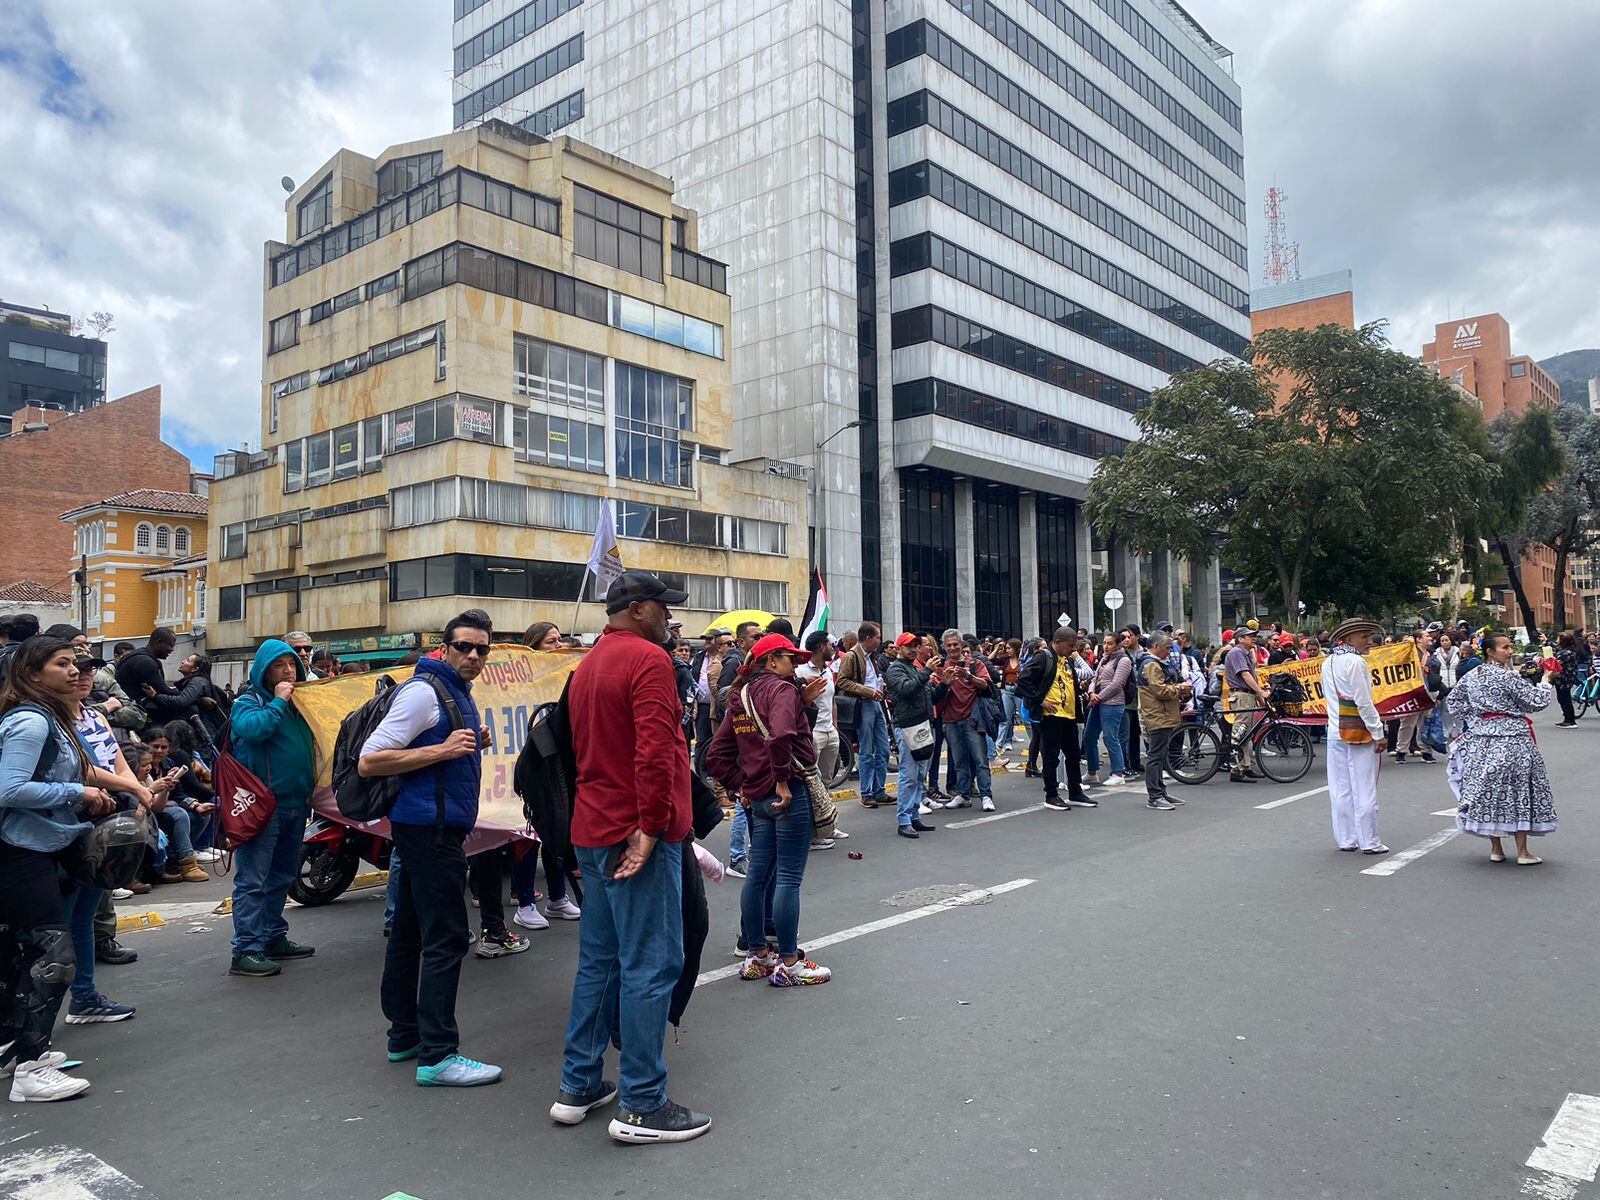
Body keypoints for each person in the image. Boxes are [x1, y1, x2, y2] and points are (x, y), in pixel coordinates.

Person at [553, 570, 711, 1143]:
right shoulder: (647, 661)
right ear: (640, 609)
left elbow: (583, 752)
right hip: (634, 834)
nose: (671, 618)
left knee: (600, 960)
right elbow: (653, 753)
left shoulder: (591, 662)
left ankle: (580, 1084)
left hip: (593, 827)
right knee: (650, 964)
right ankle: (643, 1103)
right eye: (665, 608)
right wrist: (649, 827)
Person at [359, 613, 497, 1087]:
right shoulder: (424, 692)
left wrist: (462, 743)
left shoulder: (454, 693)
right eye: (464, 646)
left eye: (482, 648)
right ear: (445, 647)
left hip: (429, 828)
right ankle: (439, 1055)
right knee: (448, 937)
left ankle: (405, 1036)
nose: (474, 656)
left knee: (410, 932)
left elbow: (433, 745)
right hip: (430, 831)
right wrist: (442, 750)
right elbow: (371, 759)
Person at [0, 636, 114, 1100]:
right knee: (53, 955)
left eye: (75, 663)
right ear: (31, 674)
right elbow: (10, 790)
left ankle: (15, 1050)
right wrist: (77, 794)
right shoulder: (30, 721)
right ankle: (30, 1068)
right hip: (16, 850)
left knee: (17, 954)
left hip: (30, 849)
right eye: (61, 664)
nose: (74, 671)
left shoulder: (47, 718)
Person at [707, 631, 831, 991]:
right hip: (786, 792)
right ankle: (790, 961)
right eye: (791, 658)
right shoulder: (781, 690)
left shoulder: (741, 695)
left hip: (757, 797)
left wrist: (741, 786)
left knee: (758, 875)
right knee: (788, 879)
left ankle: (758, 954)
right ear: (772, 660)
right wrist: (780, 781)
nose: (795, 665)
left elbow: (715, 756)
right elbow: (778, 737)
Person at [227, 639, 318, 977]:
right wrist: (279, 700)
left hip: (296, 803)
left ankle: (273, 935)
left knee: (282, 876)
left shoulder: (301, 704)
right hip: (262, 806)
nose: (289, 670)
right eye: (280, 665)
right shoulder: (248, 703)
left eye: (293, 664)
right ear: (264, 671)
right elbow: (254, 730)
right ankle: (246, 949)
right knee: (253, 880)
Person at [1447, 633, 1558, 864]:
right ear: (1490, 651)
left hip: (1481, 739)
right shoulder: (1506, 677)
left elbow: (1453, 702)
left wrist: (1477, 719)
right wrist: (1546, 680)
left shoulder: (1472, 675)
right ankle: (1523, 852)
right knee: (1519, 792)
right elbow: (1537, 701)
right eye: (1505, 647)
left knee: (1488, 793)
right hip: (1513, 740)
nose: (1510, 651)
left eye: (1510, 647)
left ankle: (1496, 849)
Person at [1321, 619, 1388, 855]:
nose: (1368, 641)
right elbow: (1364, 702)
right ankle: (1370, 841)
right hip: (1358, 731)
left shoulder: (1328, 662)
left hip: (1334, 730)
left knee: (1340, 788)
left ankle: (1347, 838)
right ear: (1349, 638)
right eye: (1363, 636)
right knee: (1365, 786)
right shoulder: (1356, 662)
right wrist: (1378, 732)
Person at [1019, 627, 1094, 811]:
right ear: (1058, 642)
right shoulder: (1044, 656)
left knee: (1073, 754)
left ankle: (1075, 792)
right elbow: (1023, 680)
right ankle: (1051, 795)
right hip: (1051, 716)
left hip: (1069, 715)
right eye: (1070, 646)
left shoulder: (1067, 660)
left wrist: (1080, 691)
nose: (1073, 650)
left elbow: (1068, 682)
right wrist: (1040, 700)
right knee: (1051, 757)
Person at [931, 629, 995, 811]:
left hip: (973, 719)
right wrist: (944, 682)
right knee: (959, 761)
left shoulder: (974, 664)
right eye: (949, 645)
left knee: (980, 760)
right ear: (944, 647)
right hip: (951, 720)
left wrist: (968, 676)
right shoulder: (940, 667)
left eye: (955, 644)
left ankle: (986, 796)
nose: (952, 648)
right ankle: (962, 794)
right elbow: (935, 694)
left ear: (962, 646)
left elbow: (986, 684)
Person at [883, 632, 938, 838]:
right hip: (908, 726)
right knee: (908, 774)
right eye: (909, 646)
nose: (913, 649)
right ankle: (904, 819)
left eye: (916, 646)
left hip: (922, 725)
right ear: (899, 648)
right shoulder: (895, 669)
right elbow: (907, 690)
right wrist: (927, 673)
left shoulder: (915, 668)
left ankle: (914, 815)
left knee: (919, 774)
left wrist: (945, 684)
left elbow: (929, 697)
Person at [1136, 633, 1192, 811]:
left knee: (1160, 755)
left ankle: (1160, 792)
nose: (1170, 651)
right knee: (1155, 756)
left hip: (1163, 714)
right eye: (1167, 647)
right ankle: (1155, 796)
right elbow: (1160, 691)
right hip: (1158, 714)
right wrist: (1181, 688)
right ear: (1156, 647)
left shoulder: (1154, 662)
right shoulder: (1151, 664)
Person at [837, 622, 889, 810]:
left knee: (883, 749)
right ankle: (867, 794)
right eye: (877, 637)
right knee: (867, 751)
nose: (879, 641)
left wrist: (879, 687)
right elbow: (842, 681)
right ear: (868, 638)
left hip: (876, 703)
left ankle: (879, 791)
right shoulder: (852, 656)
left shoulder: (872, 656)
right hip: (864, 704)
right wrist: (867, 691)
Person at [115, 629, 206, 724]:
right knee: (191, 709)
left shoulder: (140, 656)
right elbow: (165, 692)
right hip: (137, 709)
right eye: (170, 645)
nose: (172, 650)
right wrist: (193, 698)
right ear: (159, 642)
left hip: (133, 705)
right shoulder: (145, 662)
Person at [1083, 633, 1132, 785]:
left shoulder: (1123, 660)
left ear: (1118, 645)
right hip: (1097, 702)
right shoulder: (1104, 659)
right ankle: (1092, 771)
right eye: (1104, 643)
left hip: (1113, 704)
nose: (1106, 646)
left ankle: (1118, 773)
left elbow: (1117, 684)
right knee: (1089, 736)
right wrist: (1091, 692)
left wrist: (1098, 696)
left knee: (1110, 738)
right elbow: (1095, 678)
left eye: (1109, 643)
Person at [794, 631, 839, 785]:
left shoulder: (829, 671)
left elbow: (832, 701)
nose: (833, 649)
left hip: (830, 733)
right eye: (830, 645)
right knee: (811, 781)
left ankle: (824, 808)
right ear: (821, 647)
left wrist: (835, 728)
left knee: (827, 780)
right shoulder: (800, 671)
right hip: (813, 733)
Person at [1223, 628, 1267, 782]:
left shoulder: (1246, 653)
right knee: (1240, 732)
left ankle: (1246, 766)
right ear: (1240, 639)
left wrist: (1258, 695)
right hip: (1241, 695)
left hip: (1248, 694)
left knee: (1247, 733)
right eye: (1250, 636)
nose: (1254, 638)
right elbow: (1245, 675)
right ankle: (1235, 769)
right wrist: (1260, 692)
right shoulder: (1236, 652)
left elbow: (1252, 674)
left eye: (1255, 636)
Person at [1552, 630, 1579, 728]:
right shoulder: (1565, 650)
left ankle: (1570, 720)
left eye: (1558, 639)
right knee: (1563, 698)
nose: (1557, 640)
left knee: (1565, 699)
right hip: (1564, 678)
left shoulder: (1566, 653)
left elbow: (1556, 664)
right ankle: (1567, 719)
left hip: (1565, 679)